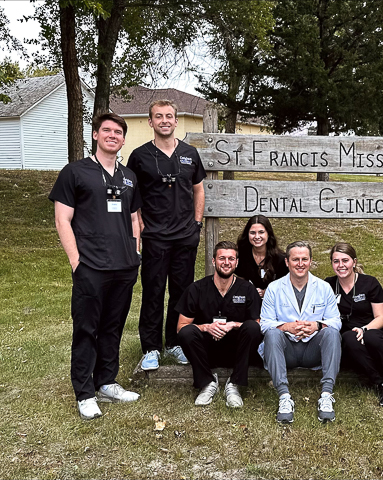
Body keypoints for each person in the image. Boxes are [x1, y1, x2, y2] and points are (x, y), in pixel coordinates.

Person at [49, 113, 141, 420]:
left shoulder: (128, 177)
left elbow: (133, 218)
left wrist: (136, 252)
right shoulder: (75, 172)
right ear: (94, 135)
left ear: (124, 140)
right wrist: (76, 262)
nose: (113, 135)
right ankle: (85, 392)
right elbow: (63, 219)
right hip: (91, 266)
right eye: (107, 131)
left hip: (124, 265)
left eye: (118, 132)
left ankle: (107, 382)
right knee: (87, 329)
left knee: (112, 327)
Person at [127, 99, 206, 371]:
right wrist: (140, 226)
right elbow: (132, 195)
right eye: (158, 116)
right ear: (150, 122)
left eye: (169, 116)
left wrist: (196, 224)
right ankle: (151, 347)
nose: (164, 120)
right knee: (153, 291)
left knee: (181, 293)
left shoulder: (190, 154)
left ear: (175, 121)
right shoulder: (139, 156)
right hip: (155, 238)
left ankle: (174, 342)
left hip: (185, 236)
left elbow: (198, 190)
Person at [260, 241, 342, 423]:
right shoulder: (274, 289)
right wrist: (285, 327)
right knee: (272, 333)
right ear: (287, 262)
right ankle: (284, 397)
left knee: (332, 333)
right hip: (286, 350)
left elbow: (336, 321)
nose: (300, 263)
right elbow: (264, 324)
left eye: (304, 259)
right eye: (295, 259)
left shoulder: (323, 287)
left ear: (311, 261)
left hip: (313, 350)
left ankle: (327, 394)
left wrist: (317, 326)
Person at [175, 241, 262, 407]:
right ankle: (207, 382)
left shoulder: (247, 289)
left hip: (238, 349)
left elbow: (258, 323)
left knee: (252, 327)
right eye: (222, 258)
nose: (226, 262)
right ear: (214, 261)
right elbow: (181, 326)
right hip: (207, 350)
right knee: (186, 332)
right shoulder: (197, 289)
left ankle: (234, 383)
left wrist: (233, 325)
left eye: (231, 258)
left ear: (237, 262)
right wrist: (206, 327)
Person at [324, 242, 383, 409]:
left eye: (345, 260)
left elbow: (381, 318)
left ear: (354, 262)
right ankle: (381, 385)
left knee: (370, 336)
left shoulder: (370, 283)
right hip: (350, 343)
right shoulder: (327, 285)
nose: (341, 265)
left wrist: (364, 329)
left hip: (374, 333)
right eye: (336, 261)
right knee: (349, 337)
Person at [235, 215, 288, 299]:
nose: (256, 236)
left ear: (268, 234)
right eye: (252, 233)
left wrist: (266, 292)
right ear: (247, 234)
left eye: (261, 232)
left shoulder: (280, 259)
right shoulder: (240, 256)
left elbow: (285, 286)